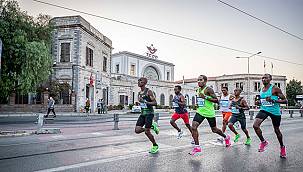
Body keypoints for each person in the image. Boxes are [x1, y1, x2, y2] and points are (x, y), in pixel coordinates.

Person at [190, 75, 231, 156]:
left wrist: (205, 97)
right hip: (200, 111)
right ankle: (197, 146)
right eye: (198, 80)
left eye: (200, 80)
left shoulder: (209, 89)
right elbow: (201, 100)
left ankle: (226, 137)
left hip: (209, 113)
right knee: (194, 127)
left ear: (205, 81)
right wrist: (198, 104)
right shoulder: (198, 90)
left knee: (214, 130)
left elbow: (216, 100)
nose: (199, 81)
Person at [253, 74, 288, 158]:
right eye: (263, 78)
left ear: (270, 79)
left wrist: (273, 100)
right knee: (255, 125)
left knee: (277, 130)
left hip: (274, 112)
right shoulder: (261, 89)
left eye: (266, 78)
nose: (264, 79)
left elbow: (285, 101)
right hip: (264, 109)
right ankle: (263, 142)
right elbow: (262, 100)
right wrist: (258, 103)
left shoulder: (275, 88)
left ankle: (282, 147)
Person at [135, 77, 160, 154]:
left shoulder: (148, 91)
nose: (139, 82)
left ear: (145, 83)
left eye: (141, 81)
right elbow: (142, 103)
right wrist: (139, 104)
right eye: (138, 81)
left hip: (149, 114)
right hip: (142, 113)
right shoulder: (139, 93)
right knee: (137, 130)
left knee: (147, 132)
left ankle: (155, 145)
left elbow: (155, 103)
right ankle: (152, 126)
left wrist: (145, 102)